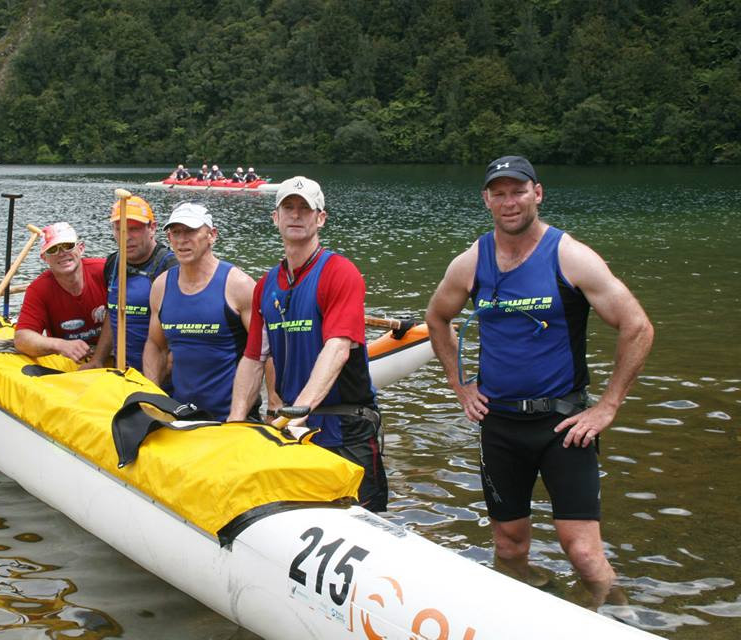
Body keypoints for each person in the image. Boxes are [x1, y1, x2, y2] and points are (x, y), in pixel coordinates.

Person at [424, 155, 654, 602]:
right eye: (500, 193)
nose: (510, 202)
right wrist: (460, 385)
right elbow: (437, 318)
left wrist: (607, 406)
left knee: (583, 552)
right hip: (500, 426)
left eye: (519, 191)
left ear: (538, 193)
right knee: (509, 547)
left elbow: (638, 326)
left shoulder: (568, 256)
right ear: (487, 199)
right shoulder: (472, 262)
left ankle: (625, 621)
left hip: (563, 427)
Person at [228, 176, 388, 512]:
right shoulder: (266, 285)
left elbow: (338, 348)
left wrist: (295, 411)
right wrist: (235, 422)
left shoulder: (340, 272)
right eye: (289, 208)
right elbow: (254, 358)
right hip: (297, 430)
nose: (296, 215)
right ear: (276, 218)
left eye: (305, 209)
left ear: (321, 218)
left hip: (346, 428)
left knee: (368, 524)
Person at [143, 202, 260, 420]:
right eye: (175, 232)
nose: (182, 239)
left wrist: (271, 405)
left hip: (234, 417)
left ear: (212, 235)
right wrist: (152, 397)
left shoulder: (239, 285)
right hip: (182, 415)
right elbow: (156, 345)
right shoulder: (161, 286)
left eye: (191, 231)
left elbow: (264, 352)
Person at [85, 195, 177, 372]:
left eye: (133, 229)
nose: (126, 237)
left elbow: (180, 338)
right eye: (119, 229)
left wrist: (153, 384)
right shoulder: (113, 263)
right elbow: (113, 315)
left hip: (160, 379)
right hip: (123, 373)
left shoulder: (170, 268)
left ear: (152, 228)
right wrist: (98, 359)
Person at [14, 222, 107, 365]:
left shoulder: (105, 271)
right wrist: (60, 345)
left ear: (81, 248)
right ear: (44, 258)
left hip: (115, 354)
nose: (62, 253)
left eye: (68, 246)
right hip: (71, 363)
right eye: (53, 249)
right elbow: (22, 339)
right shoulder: (38, 289)